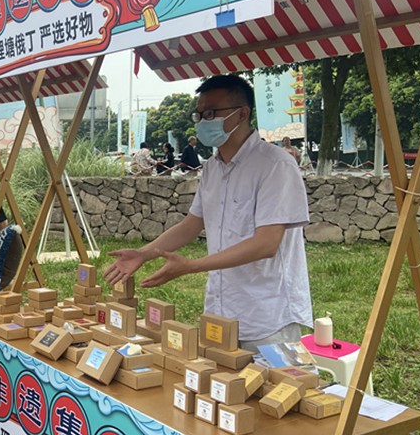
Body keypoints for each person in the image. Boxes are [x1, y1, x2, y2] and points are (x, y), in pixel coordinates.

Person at [104, 74, 312, 353]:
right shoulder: (213, 168)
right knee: (221, 379)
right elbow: (191, 225)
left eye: (211, 113)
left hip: (267, 315)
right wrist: (143, 254)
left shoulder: (276, 165)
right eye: (199, 115)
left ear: (242, 114)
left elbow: (266, 243)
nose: (203, 121)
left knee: (272, 382)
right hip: (221, 308)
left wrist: (191, 265)